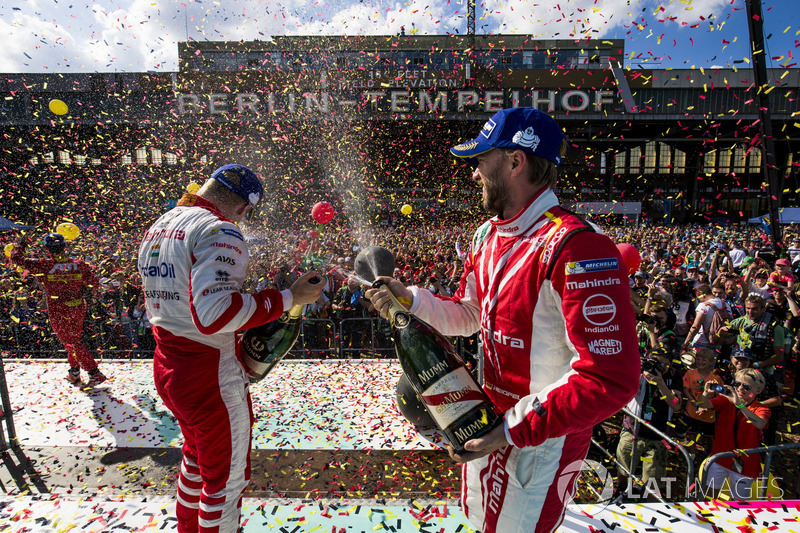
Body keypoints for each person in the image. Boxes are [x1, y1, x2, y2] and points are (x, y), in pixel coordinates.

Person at [366, 108, 640, 533]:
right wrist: (412, 300)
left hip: (541, 440)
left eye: (480, 160)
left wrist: (511, 430)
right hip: (486, 420)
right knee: (480, 522)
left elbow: (610, 380)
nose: (474, 174)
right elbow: (470, 315)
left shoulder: (579, 247)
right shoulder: (487, 235)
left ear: (516, 161)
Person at [137, 164, 324, 533]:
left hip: (168, 364)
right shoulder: (219, 229)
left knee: (195, 459)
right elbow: (215, 314)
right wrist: (290, 297)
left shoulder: (163, 221)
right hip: (208, 373)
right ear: (243, 208)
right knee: (224, 482)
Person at [10, 232, 107, 385]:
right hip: (78, 306)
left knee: (72, 342)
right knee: (73, 340)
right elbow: (94, 283)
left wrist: (22, 243)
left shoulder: (44, 264)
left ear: (47, 248)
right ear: (64, 246)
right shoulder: (80, 264)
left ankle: (94, 372)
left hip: (58, 308)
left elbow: (16, 259)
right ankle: (74, 372)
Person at [615, 346, 683, 500]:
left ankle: (649, 505)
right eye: (654, 362)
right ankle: (622, 492)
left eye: (662, 365)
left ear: (670, 365)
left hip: (657, 436)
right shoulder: (637, 369)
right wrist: (633, 366)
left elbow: (676, 406)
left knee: (652, 479)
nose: (656, 368)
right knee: (623, 466)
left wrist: (660, 383)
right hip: (631, 429)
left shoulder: (674, 376)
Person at [698, 367, 770, 500]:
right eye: (737, 384)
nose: (740, 388)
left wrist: (739, 405)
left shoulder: (761, 408)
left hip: (746, 464)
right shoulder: (726, 401)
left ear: (758, 390)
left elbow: (760, 423)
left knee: (738, 503)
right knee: (707, 496)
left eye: (746, 387)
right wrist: (706, 393)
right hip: (720, 457)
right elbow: (702, 404)